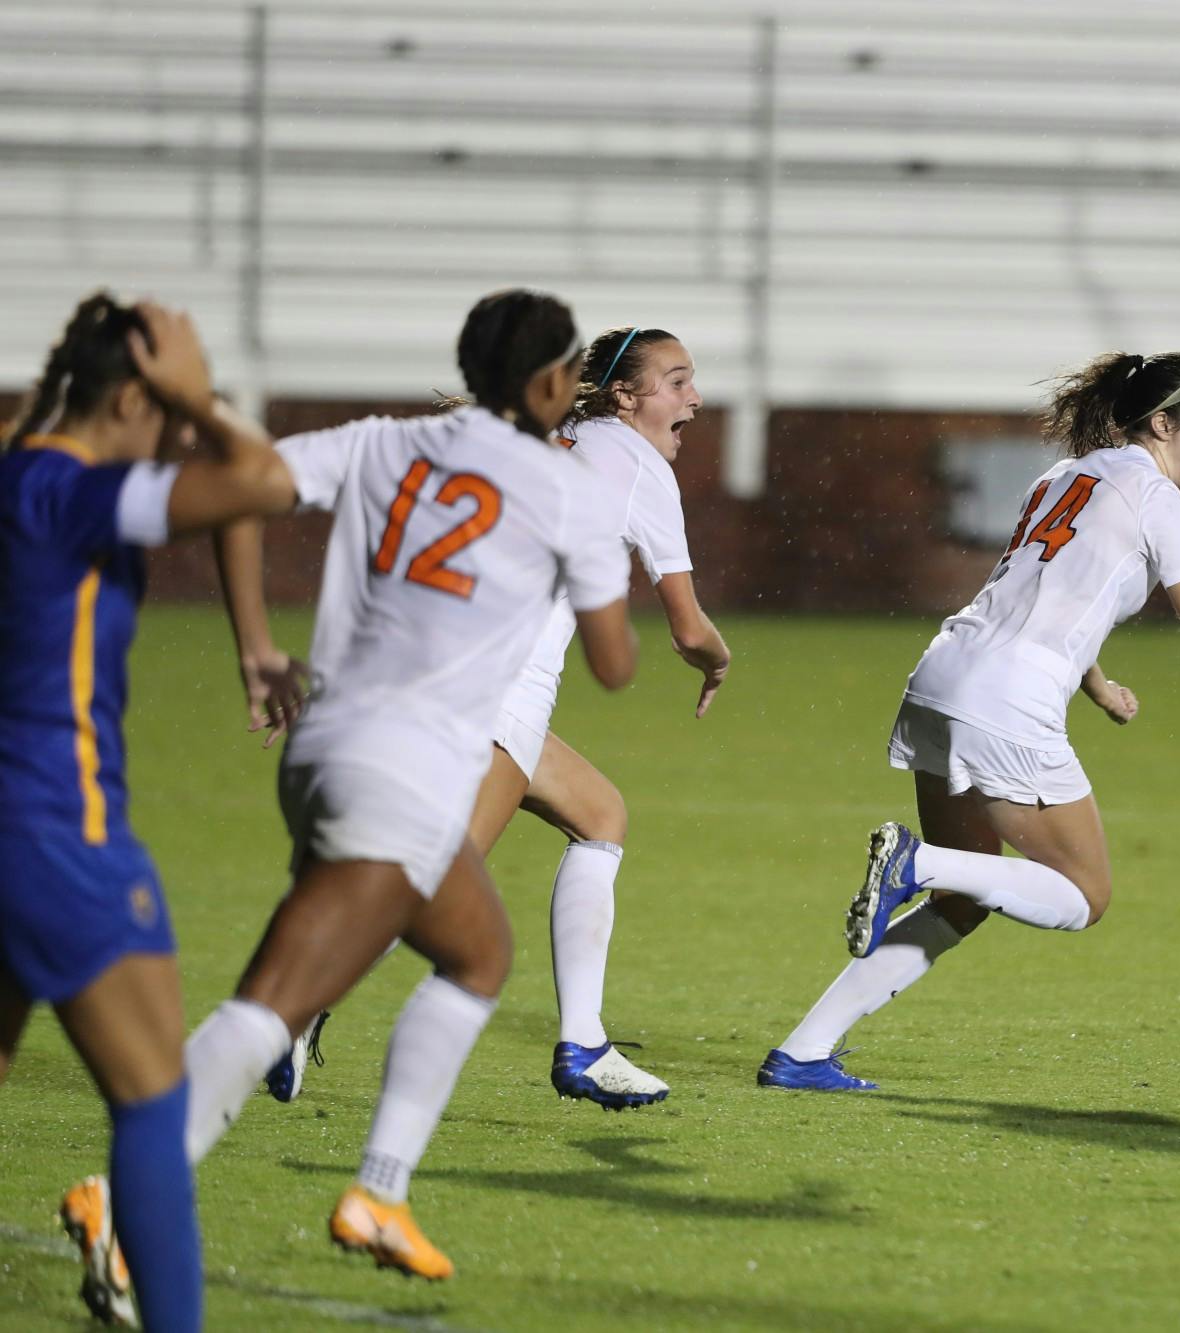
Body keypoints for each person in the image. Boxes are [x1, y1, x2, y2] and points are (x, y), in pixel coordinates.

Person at [67, 289, 639, 1308]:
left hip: (321, 744)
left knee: (465, 952)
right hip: (406, 764)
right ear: (554, 384)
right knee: (290, 996)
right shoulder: (569, 493)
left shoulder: (383, 440)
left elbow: (241, 483)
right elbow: (611, 662)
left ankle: (376, 1191)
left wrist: (253, 642)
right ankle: (136, 1195)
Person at [756, 351, 1180, 1092]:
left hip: (943, 676)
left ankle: (805, 1050)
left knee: (964, 903)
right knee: (1082, 895)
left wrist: (1098, 683)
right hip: (1008, 703)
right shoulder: (1162, 505)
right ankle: (915, 864)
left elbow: (1037, 592)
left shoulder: (1064, 476)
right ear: (1163, 423)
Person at [262, 324, 730, 1111]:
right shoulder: (640, 467)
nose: (695, 397)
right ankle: (286, 1013)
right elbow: (687, 628)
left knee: (601, 813)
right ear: (627, 395)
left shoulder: (546, 441)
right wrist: (718, 659)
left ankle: (584, 1041)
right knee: (420, 886)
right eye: (678, 381)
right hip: (499, 694)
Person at [0, 295, 307, 1331]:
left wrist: (251, 642)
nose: (178, 429)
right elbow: (259, 478)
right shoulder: (71, 490)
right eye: (165, 408)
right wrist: (203, 397)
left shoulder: (15, 460)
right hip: (57, 830)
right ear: (133, 393)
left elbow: (223, 500)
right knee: (148, 1098)